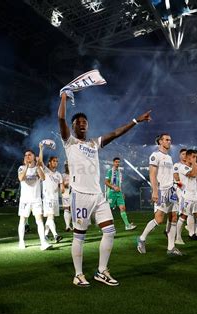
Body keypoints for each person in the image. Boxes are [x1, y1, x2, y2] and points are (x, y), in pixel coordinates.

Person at [58, 89, 151, 287]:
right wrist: (64, 97)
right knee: (79, 236)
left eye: (84, 122)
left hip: (98, 196)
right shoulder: (69, 141)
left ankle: (102, 271)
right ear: (73, 126)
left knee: (109, 231)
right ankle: (78, 274)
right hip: (80, 195)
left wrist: (136, 121)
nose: (82, 124)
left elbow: (116, 133)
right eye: (78, 122)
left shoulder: (94, 143)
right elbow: (60, 118)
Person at [137, 134, 181, 256]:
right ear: (160, 141)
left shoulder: (169, 157)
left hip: (171, 191)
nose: (169, 142)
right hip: (161, 190)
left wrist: (176, 185)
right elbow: (152, 174)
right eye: (166, 140)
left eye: (170, 140)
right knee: (159, 219)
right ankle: (141, 239)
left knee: (173, 217)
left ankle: (171, 248)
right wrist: (155, 191)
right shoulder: (155, 156)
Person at [17, 148, 52, 250]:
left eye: (29, 155)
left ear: (33, 157)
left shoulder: (37, 168)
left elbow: (43, 177)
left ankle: (43, 242)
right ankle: (21, 241)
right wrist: (27, 167)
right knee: (22, 220)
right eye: (26, 155)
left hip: (36, 199)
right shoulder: (21, 168)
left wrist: (37, 166)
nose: (27, 156)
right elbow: (21, 178)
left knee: (39, 220)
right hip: (25, 200)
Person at [104, 157, 137, 231]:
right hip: (111, 193)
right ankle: (106, 226)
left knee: (122, 208)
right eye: (116, 162)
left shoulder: (119, 172)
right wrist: (113, 187)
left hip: (119, 193)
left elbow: (120, 184)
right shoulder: (109, 171)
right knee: (108, 209)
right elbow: (106, 182)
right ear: (113, 162)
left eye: (118, 162)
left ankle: (127, 225)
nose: (117, 163)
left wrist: (122, 192)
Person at [40, 147, 64, 243]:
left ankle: (45, 235)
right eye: (54, 161)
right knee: (50, 217)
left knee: (51, 218)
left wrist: (62, 188)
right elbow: (40, 162)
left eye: (57, 161)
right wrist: (41, 149)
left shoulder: (58, 174)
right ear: (49, 162)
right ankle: (55, 235)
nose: (56, 163)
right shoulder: (45, 170)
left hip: (55, 199)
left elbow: (61, 186)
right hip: (47, 198)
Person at [62, 161, 73, 232]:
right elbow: (60, 185)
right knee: (66, 209)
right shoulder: (62, 175)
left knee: (73, 209)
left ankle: (74, 226)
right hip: (66, 194)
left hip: (74, 194)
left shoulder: (74, 175)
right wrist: (65, 184)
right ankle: (67, 226)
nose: (67, 167)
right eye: (66, 166)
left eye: (69, 165)